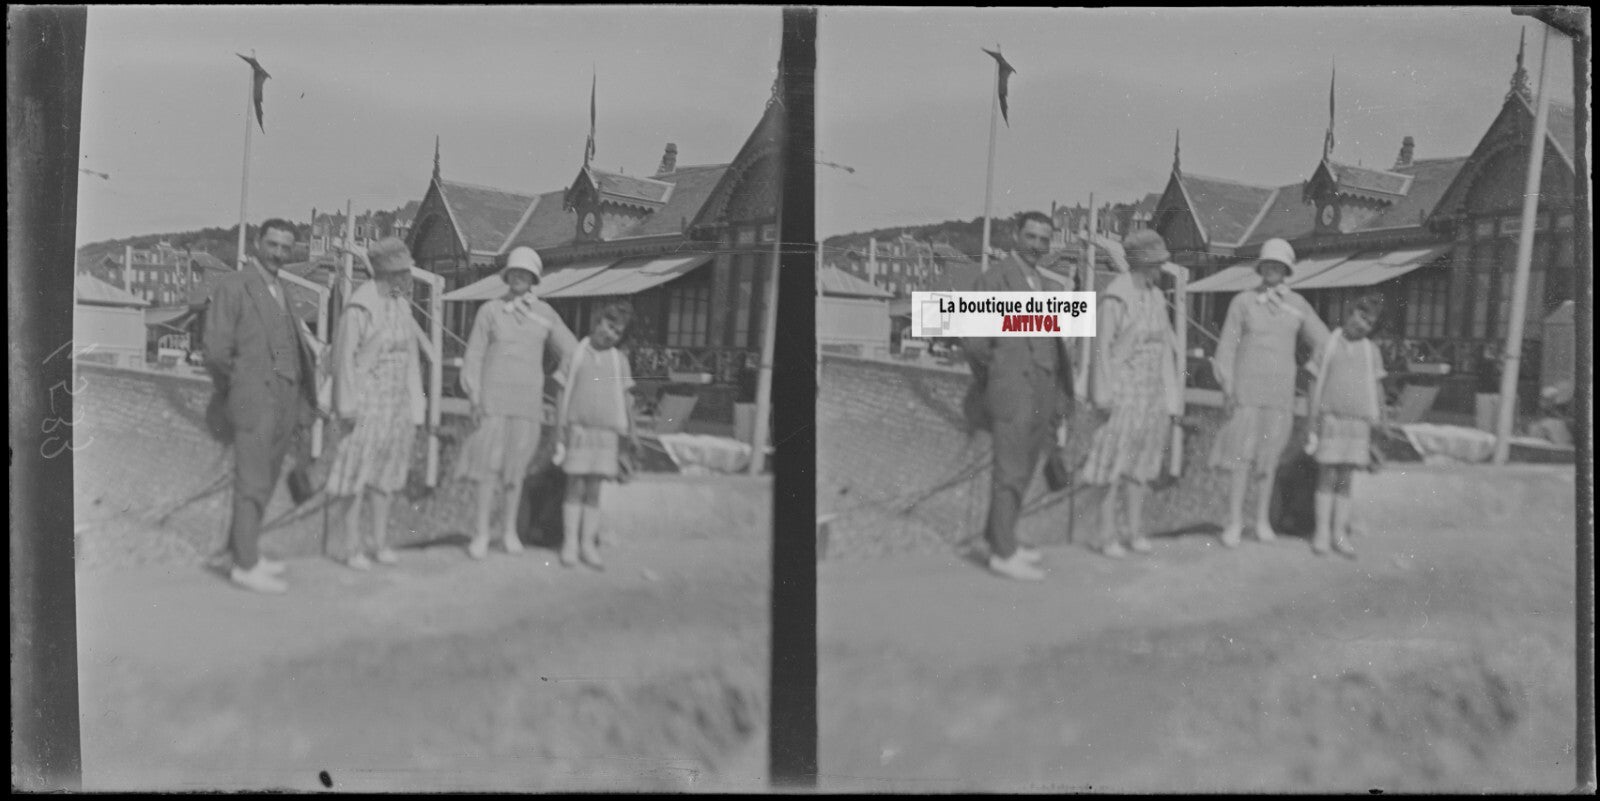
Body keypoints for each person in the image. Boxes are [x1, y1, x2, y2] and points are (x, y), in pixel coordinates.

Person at [202, 219, 318, 594]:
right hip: (254, 397)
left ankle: (243, 551)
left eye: (286, 247)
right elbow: (216, 350)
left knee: (264, 479)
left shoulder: (282, 289)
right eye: (272, 245)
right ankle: (245, 565)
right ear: (257, 242)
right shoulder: (234, 286)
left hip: (285, 397)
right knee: (251, 479)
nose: (279, 253)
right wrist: (238, 388)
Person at [962, 211, 1076, 581]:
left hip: (1042, 390)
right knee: (1009, 469)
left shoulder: (1042, 283)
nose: (1037, 246)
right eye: (1031, 237)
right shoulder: (994, 280)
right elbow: (974, 342)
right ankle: (1002, 553)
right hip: (1013, 390)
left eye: (1044, 240)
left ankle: (999, 535)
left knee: (1023, 469)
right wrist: (1000, 376)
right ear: (1015, 235)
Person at [453, 246, 579, 560]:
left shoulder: (545, 314)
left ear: (534, 278)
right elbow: (475, 355)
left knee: (515, 471)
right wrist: (475, 394)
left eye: (525, 273)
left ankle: (508, 532)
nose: (519, 277)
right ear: (507, 276)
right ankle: (481, 533)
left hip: (527, 403)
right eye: (514, 272)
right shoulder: (490, 310)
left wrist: (558, 381)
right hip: (493, 401)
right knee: (488, 469)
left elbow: (573, 353)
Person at [1208, 238, 1329, 548]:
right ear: (1260, 268)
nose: (1273, 270)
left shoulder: (1298, 305)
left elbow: (1325, 343)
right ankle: (1234, 522)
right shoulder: (1243, 302)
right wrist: (1228, 384)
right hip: (1246, 392)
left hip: (1279, 394)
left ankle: (1261, 521)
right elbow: (1226, 347)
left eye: (1279, 266)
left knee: (1268, 460)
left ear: (1286, 270)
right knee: (1240, 458)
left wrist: (1314, 369)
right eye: (1268, 265)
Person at [1079, 230, 1183, 558]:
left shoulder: (1155, 297)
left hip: (1150, 395)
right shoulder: (1116, 296)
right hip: (1121, 393)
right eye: (1155, 264)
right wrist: (1102, 395)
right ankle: (1106, 534)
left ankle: (1134, 530)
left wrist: (1171, 399)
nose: (1159, 271)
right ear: (1141, 264)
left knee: (1141, 467)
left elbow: (1166, 348)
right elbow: (1101, 350)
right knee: (1112, 466)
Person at [325, 238, 427, 570]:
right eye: (402, 273)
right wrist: (347, 406)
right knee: (356, 475)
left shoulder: (402, 306)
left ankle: (379, 542)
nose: (407, 279)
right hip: (365, 403)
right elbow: (344, 360)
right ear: (388, 274)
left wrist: (416, 408)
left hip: (395, 404)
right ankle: (351, 547)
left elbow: (411, 359)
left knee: (386, 476)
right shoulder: (360, 306)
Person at [552, 301, 641, 570]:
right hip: (579, 431)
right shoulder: (576, 354)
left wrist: (633, 433)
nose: (611, 334)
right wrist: (559, 428)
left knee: (594, 488)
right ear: (598, 321)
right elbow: (559, 391)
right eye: (609, 326)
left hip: (606, 435)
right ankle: (569, 543)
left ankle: (587, 544)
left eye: (618, 332)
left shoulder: (619, 360)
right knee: (575, 485)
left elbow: (627, 399)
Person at [1304, 293, 1387, 558]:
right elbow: (1313, 381)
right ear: (1349, 313)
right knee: (1327, 475)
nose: (1362, 325)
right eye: (1361, 317)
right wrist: (1311, 419)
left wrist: (1381, 420)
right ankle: (1321, 533)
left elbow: (1377, 386)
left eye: (1369, 323)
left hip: (1358, 425)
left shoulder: (1370, 350)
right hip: (1331, 420)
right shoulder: (1328, 344)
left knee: (1346, 478)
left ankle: (1339, 534)